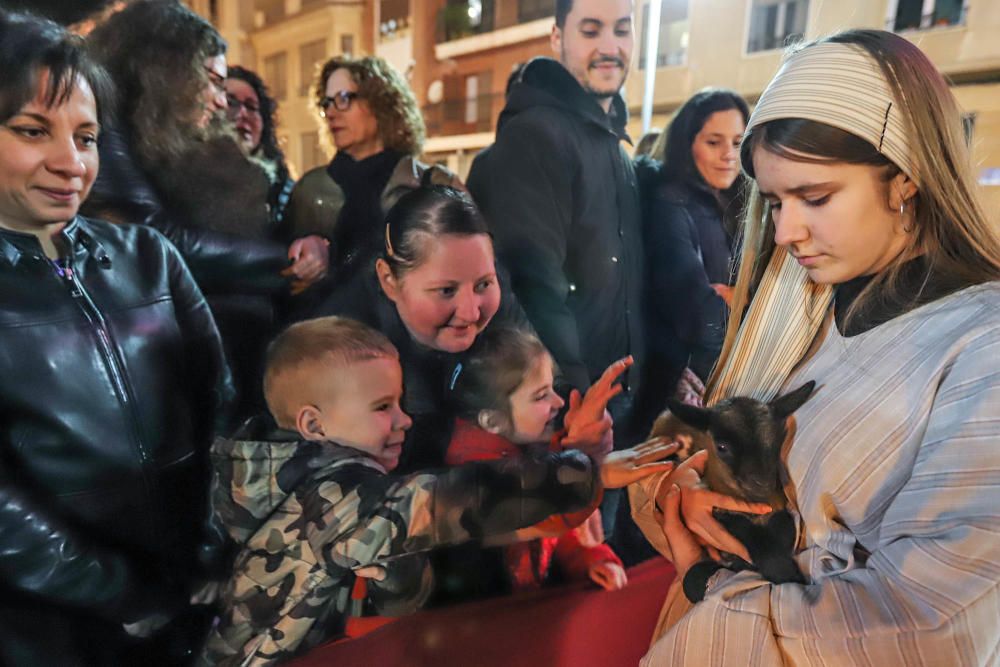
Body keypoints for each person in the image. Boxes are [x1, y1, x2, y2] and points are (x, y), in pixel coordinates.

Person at [630, 29, 1000, 664]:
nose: (785, 232)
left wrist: (707, 582)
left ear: (906, 178)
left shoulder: (981, 347)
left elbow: (932, 625)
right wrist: (688, 491)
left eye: (815, 196)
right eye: (773, 202)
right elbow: (696, 463)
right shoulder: (803, 304)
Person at [201, 316, 671, 664]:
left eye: (401, 403)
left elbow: (395, 590)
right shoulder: (329, 500)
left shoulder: (324, 488)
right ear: (314, 424)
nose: (404, 420)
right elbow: (448, 501)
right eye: (383, 407)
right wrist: (589, 474)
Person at [0, 11, 231, 663]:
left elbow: (220, 401)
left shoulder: (148, 255)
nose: (69, 163)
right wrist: (124, 592)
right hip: (54, 632)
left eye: (87, 136)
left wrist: (215, 544)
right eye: (31, 130)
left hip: (193, 603)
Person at [83, 0, 328, 420]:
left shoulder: (151, 133)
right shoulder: (103, 129)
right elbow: (156, 237)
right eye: (212, 81)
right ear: (165, 68)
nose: (220, 101)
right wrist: (286, 262)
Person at [467, 0, 644, 541]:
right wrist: (573, 399)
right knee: (578, 573)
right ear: (556, 38)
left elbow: (616, 274)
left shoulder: (607, 137)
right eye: (590, 30)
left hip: (606, 397)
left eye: (621, 30)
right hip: (570, 412)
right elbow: (533, 280)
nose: (609, 47)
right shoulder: (536, 136)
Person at [317, 186, 616, 472]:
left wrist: (578, 425)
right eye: (446, 290)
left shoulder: (499, 302)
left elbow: (543, 382)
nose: (471, 311)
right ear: (388, 280)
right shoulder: (342, 344)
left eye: (484, 283)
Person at [440, 327, 677, 601]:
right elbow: (541, 512)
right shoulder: (470, 474)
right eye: (541, 396)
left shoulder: (529, 449)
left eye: (553, 387)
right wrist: (585, 459)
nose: (558, 402)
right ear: (492, 421)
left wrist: (588, 558)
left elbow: (559, 534)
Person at [284, 55, 460, 290]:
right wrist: (307, 248)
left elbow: (474, 269)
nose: (332, 112)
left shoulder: (434, 183)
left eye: (344, 98)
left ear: (382, 103)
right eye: (326, 103)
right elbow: (282, 276)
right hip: (330, 323)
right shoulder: (310, 189)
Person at [630, 89, 749, 435]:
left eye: (739, 142)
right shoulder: (670, 203)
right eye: (714, 142)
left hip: (722, 385)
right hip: (681, 391)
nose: (729, 155)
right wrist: (744, 305)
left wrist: (735, 296)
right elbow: (700, 318)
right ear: (687, 143)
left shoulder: (737, 203)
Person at [225, 65, 295, 228]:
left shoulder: (286, 192)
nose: (243, 113)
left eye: (251, 106)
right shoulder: (183, 178)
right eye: (231, 102)